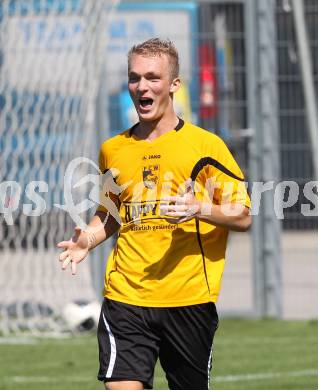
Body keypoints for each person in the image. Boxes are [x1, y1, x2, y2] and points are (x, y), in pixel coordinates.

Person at [58, 38, 251, 390]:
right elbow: (112, 213)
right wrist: (88, 238)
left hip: (189, 299)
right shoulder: (113, 150)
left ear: (174, 84)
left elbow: (243, 216)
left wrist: (200, 208)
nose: (142, 87)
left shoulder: (206, 147)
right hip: (125, 296)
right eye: (134, 78)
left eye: (152, 77)